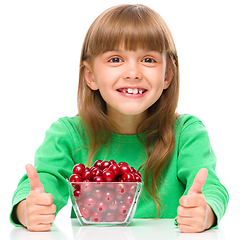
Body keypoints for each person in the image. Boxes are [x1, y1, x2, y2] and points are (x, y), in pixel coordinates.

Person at [10, 4, 229, 233]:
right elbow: (41, 184)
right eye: (115, 59)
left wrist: (206, 212)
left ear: (167, 76)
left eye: (148, 59)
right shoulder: (68, 134)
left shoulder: (186, 133)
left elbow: (211, 187)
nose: (132, 72)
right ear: (90, 76)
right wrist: (27, 209)